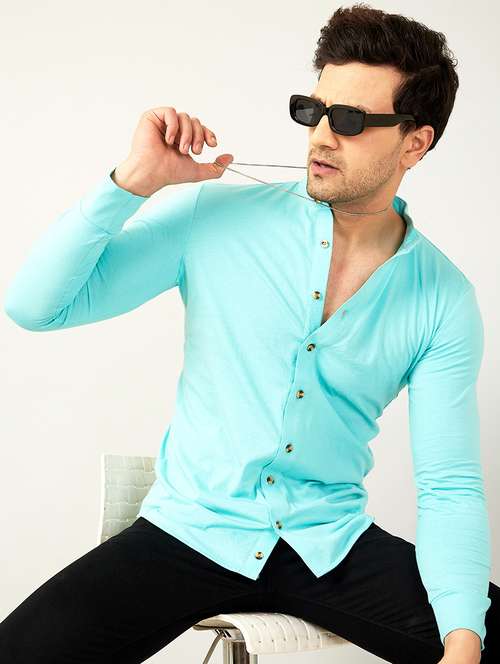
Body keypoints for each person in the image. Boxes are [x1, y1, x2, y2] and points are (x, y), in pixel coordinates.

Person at [1, 4, 498, 664]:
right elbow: (35, 307)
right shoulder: (216, 217)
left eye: (350, 121)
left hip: (328, 546)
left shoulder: (442, 297)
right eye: (313, 111)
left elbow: (448, 487)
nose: (321, 137)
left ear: (415, 142)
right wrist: (131, 184)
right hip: (188, 533)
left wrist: (463, 641)